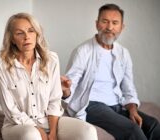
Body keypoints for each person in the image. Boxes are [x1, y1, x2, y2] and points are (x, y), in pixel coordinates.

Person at [61, 3, 160, 140]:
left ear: (121, 27)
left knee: (154, 125)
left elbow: (128, 87)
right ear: (97, 24)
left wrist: (132, 110)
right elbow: (70, 84)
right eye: (105, 21)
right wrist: (65, 91)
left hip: (117, 105)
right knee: (131, 130)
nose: (109, 27)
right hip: (92, 105)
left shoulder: (123, 53)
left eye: (115, 23)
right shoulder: (83, 51)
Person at [0, 12, 97, 140]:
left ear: (37, 34)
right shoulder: (1, 66)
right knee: (32, 135)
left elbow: (54, 100)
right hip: (17, 125)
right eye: (20, 33)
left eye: (31, 31)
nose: (26, 37)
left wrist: (53, 132)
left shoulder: (51, 59)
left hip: (48, 121)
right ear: (12, 39)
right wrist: (38, 130)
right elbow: (10, 110)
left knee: (88, 130)